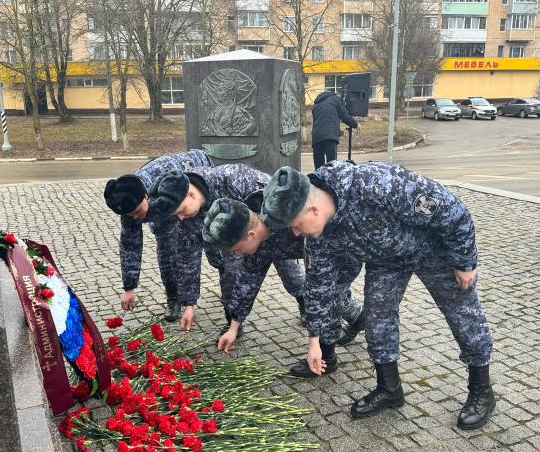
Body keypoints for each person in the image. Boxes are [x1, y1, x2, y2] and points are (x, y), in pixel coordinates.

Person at [261, 162, 495, 430]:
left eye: (295, 225)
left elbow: (451, 210)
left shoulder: (375, 184)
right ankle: (389, 389)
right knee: (376, 318)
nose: (295, 232)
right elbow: (319, 284)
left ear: (313, 209)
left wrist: (465, 262)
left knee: (463, 315)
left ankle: (482, 390)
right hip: (387, 260)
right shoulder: (319, 235)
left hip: (434, 250)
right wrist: (315, 338)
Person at [202, 195, 365, 375]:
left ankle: (326, 359)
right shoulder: (257, 240)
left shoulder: (290, 220)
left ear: (251, 235)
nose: (236, 253)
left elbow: (317, 286)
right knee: (326, 295)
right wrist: (233, 327)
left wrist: (314, 342)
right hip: (315, 254)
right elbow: (247, 281)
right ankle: (359, 317)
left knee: (329, 295)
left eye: (236, 249)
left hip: (340, 250)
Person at [147, 164, 306, 334]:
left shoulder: (232, 179)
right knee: (230, 273)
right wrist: (189, 304)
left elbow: (273, 199)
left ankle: (306, 303)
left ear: (191, 195)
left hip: (269, 231)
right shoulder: (186, 215)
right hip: (232, 245)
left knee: (290, 272)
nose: (180, 217)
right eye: (175, 215)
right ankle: (233, 322)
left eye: (181, 211)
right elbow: (188, 257)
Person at [103, 149, 213, 321]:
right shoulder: (128, 201)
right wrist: (129, 287)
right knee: (166, 250)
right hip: (161, 213)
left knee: (201, 239)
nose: (135, 217)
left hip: (196, 169)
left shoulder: (163, 189)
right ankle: (173, 298)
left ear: (146, 197)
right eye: (130, 214)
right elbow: (130, 245)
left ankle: (220, 277)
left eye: (137, 211)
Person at [311, 91, 359, 169]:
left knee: (319, 166)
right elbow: (344, 116)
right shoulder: (335, 99)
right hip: (330, 137)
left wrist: (338, 132)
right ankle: (331, 180)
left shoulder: (316, 105)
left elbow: (322, 123)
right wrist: (356, 124)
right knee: (332, 165)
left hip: (316, 136)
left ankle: (319, 180)